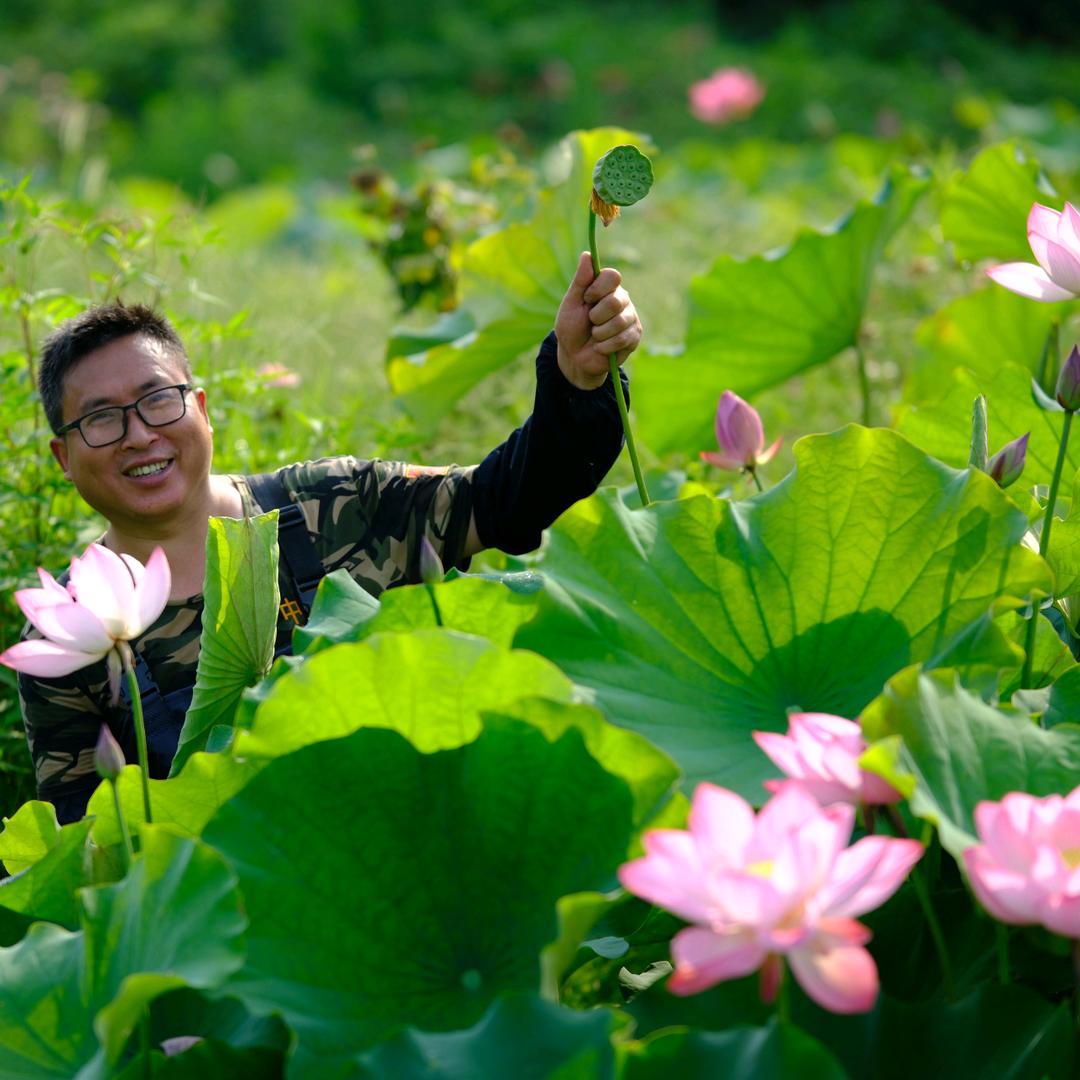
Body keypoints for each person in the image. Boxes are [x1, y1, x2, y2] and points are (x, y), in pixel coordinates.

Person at [12, 253, 641, 823]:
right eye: (101, 418)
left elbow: (508, 500)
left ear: (201, 409)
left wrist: (573, 378)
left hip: (415, 848)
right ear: (63, 457)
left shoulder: (334, 503)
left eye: (158, 401)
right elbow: (85, 839)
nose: (139, 434)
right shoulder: (66, 630)